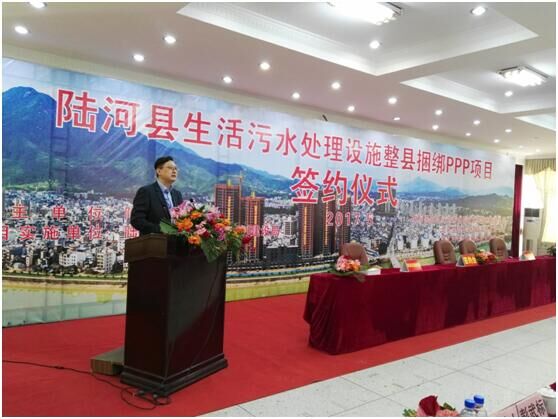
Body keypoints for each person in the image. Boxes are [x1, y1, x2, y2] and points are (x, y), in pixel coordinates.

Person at [131, 156, 183, 235]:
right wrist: (162, 230)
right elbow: (137, 220)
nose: (174, 171)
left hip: (176, 241)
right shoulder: (146, 191)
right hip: (154, 240)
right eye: (170, 168)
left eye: (176, 169)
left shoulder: (177, 194)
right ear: (159, 171)